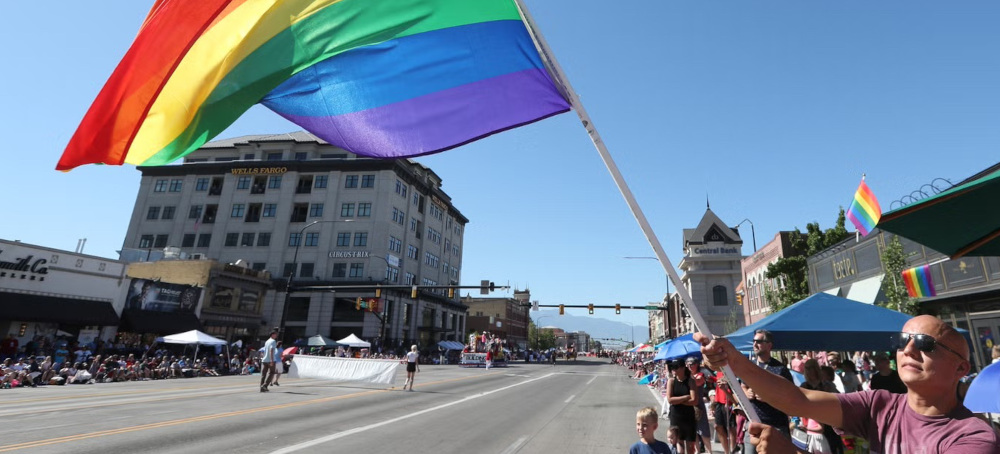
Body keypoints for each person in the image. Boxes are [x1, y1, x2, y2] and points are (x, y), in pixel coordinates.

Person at [696, 315, 1000, 453]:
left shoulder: (974, 437)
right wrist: (733, 360)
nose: (908, 349)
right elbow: (797, 400)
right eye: (903, 340)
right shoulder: (879, 404)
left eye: (924, 343)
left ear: (961, 367)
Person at [737, 329, 795, 453]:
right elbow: (742, 386)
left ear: (769, 345)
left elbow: (791, 395)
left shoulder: (780, 369)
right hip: (753, 425)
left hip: (775, 426)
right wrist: (746, 392)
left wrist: (769, 397)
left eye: (759, 341)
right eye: (754, 341)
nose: (755, 344)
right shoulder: (749, 365)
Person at [666, 360, 698, 454]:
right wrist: (685, 397)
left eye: (676, 367)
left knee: (690, 445)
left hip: (688, 416)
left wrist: (678, 401)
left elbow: (694, 400)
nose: (673, 369)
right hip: (676, 415)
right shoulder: (671, 381)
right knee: (678, 442)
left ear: (683, 368)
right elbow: (670, 399)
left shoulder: (690, 381)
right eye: (672, 367)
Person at [685, 357, 714, 454]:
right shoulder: (687, 376)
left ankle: (709, 451)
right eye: (688, 364)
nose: (689, 366)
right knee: (694, 431)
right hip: (689, 405)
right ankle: (697, 450)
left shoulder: (700, 375)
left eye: (692, 364)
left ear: (696, 365)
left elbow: (696, 383)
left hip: (698, 405)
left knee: (703, 430)